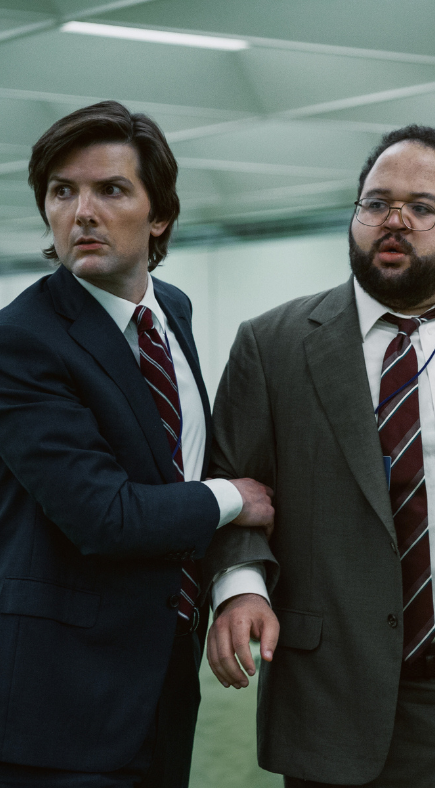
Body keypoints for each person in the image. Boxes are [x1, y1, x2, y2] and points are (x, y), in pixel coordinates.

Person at [202, 125, 435, 788]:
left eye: (423, 208)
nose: (395, 221)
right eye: (376, 204)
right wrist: (241, 587)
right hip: (342, 698)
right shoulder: (275, 346)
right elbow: (234, 488)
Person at [0, 101, 274, 788]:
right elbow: (103, 515)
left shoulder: (170, 310)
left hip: (161, 684)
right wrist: (230, 499)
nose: (81, 212)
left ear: (158, 217)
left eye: (110, 190)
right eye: (63, 192)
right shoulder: (22, 340)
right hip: (57, 705)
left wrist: (236, 581)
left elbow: (172, 458)